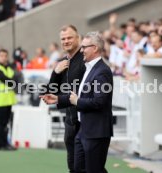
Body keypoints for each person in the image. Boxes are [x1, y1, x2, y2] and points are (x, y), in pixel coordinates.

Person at [42, 31, 113, 173]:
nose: (81, 51)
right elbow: (79, 95)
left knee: (94, 170)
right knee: (77, 168)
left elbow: (99, 102)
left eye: (84, 47)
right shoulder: (89, 68)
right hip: (84, 130)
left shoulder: (102, 71)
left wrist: (77, 101)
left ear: (95, 48)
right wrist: (59, 99)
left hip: (96, 131)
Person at [40, 25, 85, 173]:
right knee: (73, 166)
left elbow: (83, 92)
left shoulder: (85, 59)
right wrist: (55, 73)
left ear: (78, 38)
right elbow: (49, 92)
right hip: (70, 121)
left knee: (87, 167)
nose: (66, 41)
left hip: (85, 121)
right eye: (63, 39)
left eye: (69, 37)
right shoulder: (62, 61)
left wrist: (60, 99)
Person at [0, 49, 17, 151]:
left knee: (5, 124)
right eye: (1, 56)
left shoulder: (8, 68)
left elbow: (14, 79)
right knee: (1, 124)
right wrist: (13, 81)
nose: (3, 58)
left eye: (5, 56)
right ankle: (1, 145)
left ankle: (5, 143)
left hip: (8, 100)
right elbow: (6, 80)